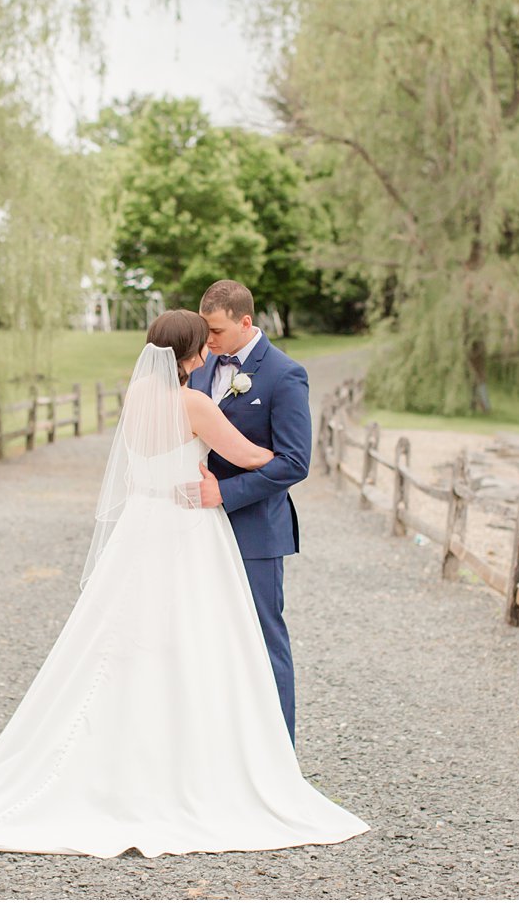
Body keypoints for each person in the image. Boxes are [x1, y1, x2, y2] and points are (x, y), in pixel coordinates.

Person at [0, 309, 367, 858]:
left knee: (125, 643)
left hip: (140, 528)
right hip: (186, 528)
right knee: (201, 640)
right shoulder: (194, 403)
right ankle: (199, 759)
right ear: (189, 355)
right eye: (202, 345)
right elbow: (258, 456)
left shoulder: (138, 398)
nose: (208, 353)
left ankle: (120, 754)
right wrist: (247, 464)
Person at [187, 280, 309, 744]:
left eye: (216, 330)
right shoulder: (199, 371)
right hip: (196, 529)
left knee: (262, 638)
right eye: (203, 329)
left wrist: (227, 494)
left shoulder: (284, 374)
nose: (209, 340)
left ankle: (278, 754)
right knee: (204, 637)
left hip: (255, 530)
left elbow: (295, 462)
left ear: (245, 322)